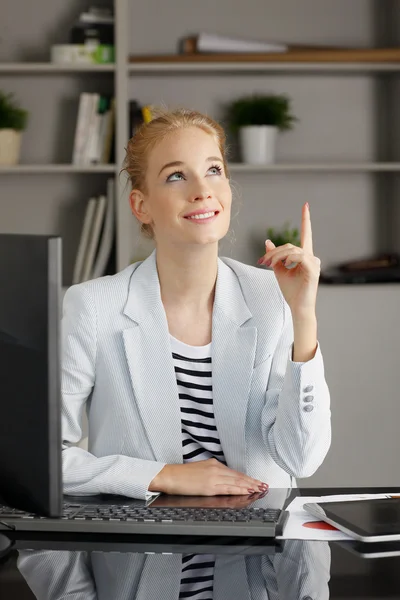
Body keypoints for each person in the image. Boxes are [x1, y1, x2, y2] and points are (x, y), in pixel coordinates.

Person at [61, 108, 331, 501]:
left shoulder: (271, 295)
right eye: (176, 176)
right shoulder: (94, 306)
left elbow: (301, 459)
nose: (202, 190)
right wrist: (165, 476)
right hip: (142, 550)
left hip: (263, 551)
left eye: (214, 170)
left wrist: (303, 315)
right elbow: (48, 460)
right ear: (141, 206)